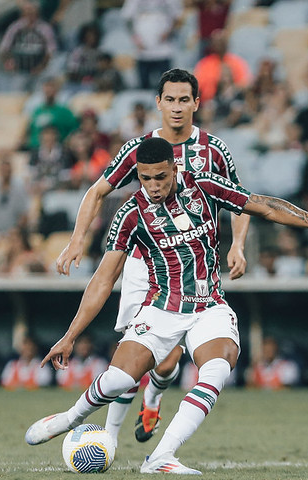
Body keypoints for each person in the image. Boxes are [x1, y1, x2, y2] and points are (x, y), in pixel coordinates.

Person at [24, 136, 308, 475]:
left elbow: (263, 205)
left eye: (160, 176)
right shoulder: (130, 214)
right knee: (117, 379)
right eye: (145, 178)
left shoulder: (204, 185)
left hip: (208, 306)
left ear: (174, 168)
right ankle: (71, 418)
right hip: (161, 308)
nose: (153, 185)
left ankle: (160, 457)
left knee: (217, 369)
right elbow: (103, 279)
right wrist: (70, 335)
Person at [53, 69, 252, 446]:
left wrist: (236, 245)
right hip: (145, 264)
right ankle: (108, 439)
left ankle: (154, 399)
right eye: (170, 100)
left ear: (196, 103)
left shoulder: (214, 150)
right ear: (158, 103)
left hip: (193, 264)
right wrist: (76, 240)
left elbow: (240, 202)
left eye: (184, 100)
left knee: (169, 359)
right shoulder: (138, 150)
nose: (177, 108)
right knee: (133, 356)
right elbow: (97, 191)